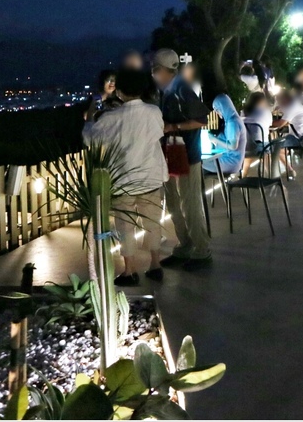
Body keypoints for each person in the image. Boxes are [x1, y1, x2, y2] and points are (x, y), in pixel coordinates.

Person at [82, 69, 168, 286]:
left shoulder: (112, 118)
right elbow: (158, 133)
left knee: (125, 227)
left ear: (119, 92)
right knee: (153, 223)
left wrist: (91, 116)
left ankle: (130, 270)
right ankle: (155, 264)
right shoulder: (153, 112)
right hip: (150, 176)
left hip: (123, 181)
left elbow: (90, 138)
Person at [152, 49, 211, 270]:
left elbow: (201, 120)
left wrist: (173, 127)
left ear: (164, 70)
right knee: (174, 201)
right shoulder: (167, 91)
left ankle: (201, 248)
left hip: (187, 154)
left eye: (155, 69)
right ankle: (185, 244)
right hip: (170, 153)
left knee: (190, 201)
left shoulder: (181, 89)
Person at [205, 94, 247, 181]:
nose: (216, 112)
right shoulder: (231, 120)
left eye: (217, 109)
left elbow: (233, 146)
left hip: (230, 162)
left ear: (223, 107)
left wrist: (214, 139)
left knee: (196, 164)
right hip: (232, 161)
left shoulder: (232, 122)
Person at [272, 89, 303, 177]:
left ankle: (280, 172)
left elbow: (280, 124)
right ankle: (289, 168)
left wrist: (266, 123)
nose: (278, 102)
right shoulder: (295, 104)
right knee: (278, 145)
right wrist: (279, 108)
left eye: (279, 100)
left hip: (299, 139)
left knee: (274, 146)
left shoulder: (292, 107)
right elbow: (282, 111)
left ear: (285, 98)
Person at [242, 92, 272, 174]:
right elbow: (270, 124)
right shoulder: (266, 112)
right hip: (260, 148)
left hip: (244, 148)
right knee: (266, 149)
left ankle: (243, 176)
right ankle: (271, 176)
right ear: (262, 101)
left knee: (249, 154)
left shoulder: (243, 112)